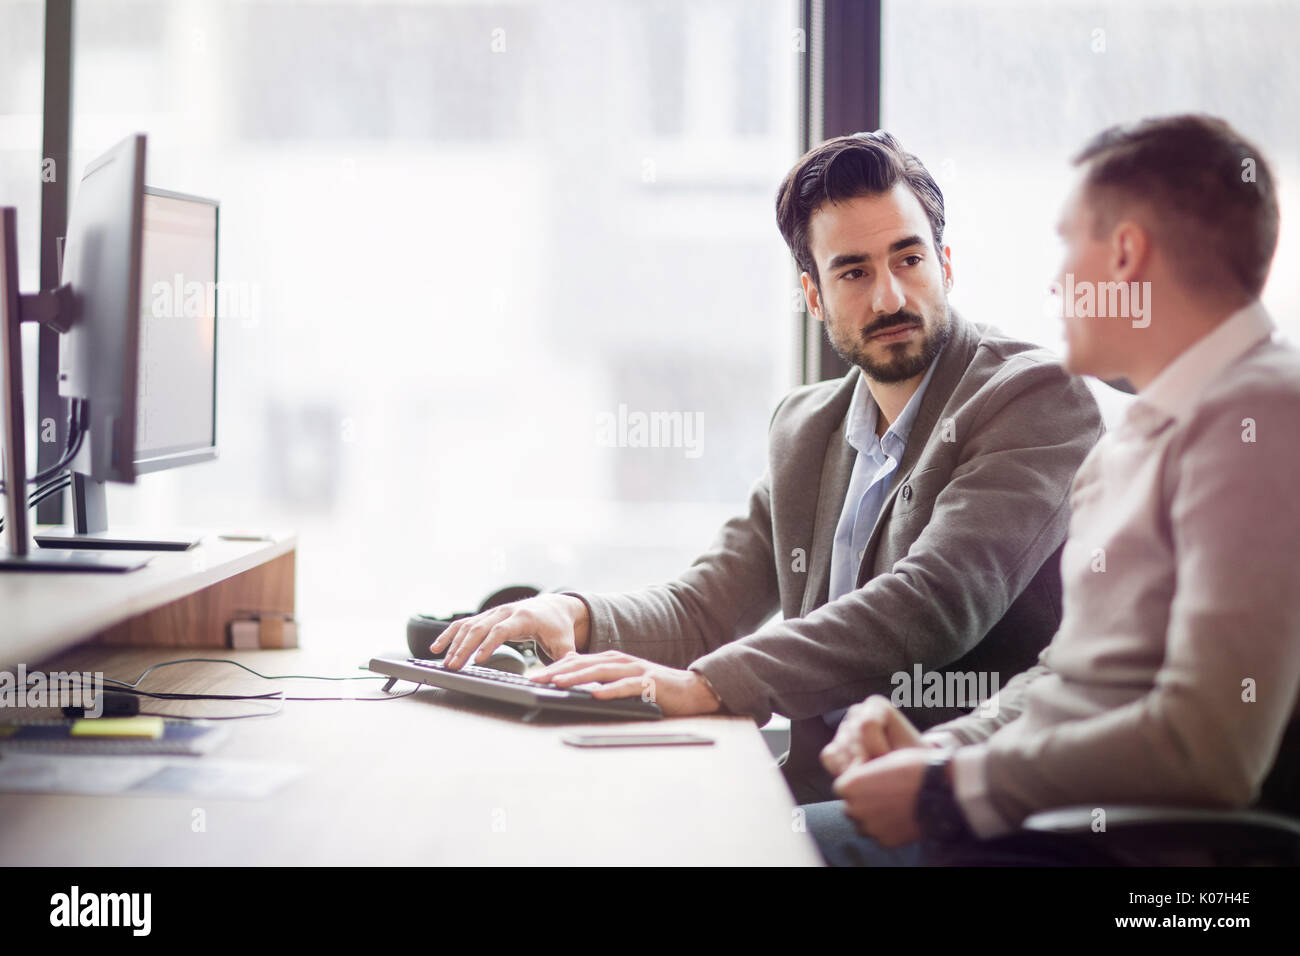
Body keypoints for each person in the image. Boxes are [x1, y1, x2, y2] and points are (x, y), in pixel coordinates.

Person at [435, 131, 1103, 803]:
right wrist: (572, 615)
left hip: (950, 809)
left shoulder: (1031, 395)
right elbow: (705, 606)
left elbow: (932, 605)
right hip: (815, 793)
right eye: (854, 272)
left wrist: (708, 686)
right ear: (813, 297)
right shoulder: (807, 429)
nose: (889, 298)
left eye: (909, 259)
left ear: (946, 264)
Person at [812, 114, 1300, 865]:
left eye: (1069, 244)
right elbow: (1067, 677)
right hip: (1055, 825)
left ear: (1127, 252)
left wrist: (953, 786)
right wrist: (941, 754)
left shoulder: (1264, 414)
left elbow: (1210, 748)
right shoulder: (1137, 438)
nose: (1055, 279)